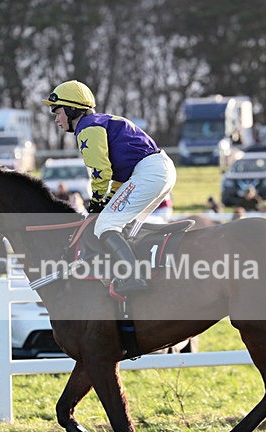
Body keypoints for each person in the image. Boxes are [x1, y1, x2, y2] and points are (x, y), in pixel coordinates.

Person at [42, 80, 176, 295]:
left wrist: (96, 202)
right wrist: (108, 199)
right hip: (157, 169)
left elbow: (101, 171)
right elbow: (118, 178)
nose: (56, 119)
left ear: (71, 109)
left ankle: (133, 277)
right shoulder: (99, 122)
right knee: (125, 228)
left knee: (105, 225)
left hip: (150, 172)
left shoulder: (87, 128)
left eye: (57, 112)